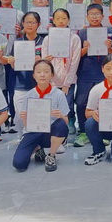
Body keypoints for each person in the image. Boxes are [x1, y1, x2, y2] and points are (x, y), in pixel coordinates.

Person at [12, 60, 69, 172]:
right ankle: (38, 149)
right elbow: (26, 126)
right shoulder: (29, 95)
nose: (42, 75)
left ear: (52, 75)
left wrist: (61, 115)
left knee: (61, 124)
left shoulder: (59, 94)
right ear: (34, 75)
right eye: (39, 72)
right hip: (33, 132)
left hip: (50, 132)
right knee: (19, 164)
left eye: (46, 72)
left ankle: (51, 155)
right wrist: (25, 117)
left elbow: (66, 121)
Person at [73, 4, 112, 147]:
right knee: (81, 103)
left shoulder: (109, 31)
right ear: (87, 16)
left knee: (105, 102)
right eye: (91, 14)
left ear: (102, 16)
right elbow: (76, 55)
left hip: (104, 72)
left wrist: (109, 47)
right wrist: (85, 48)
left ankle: (105, 132)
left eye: (97, 14)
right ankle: (84, 132)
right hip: (86, 72)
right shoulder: (81, 33)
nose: (94, 17)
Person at [40, 8, 82, 145]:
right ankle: (53, 131)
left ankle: (67, 127)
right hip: (52, 80)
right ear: (53, 20)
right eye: (57, 18)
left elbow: (75, 62)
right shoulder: (48, 39)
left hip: (67, 79)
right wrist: (47, 61)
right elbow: (44, 62)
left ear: (68, 20)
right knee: (52, 105)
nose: (61, 21)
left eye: (64, 18)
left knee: (67, 105)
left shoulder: (74, 38)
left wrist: (67, 83)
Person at [6, 11, 44, 136]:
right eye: (27, 22)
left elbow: (49, 64)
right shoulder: (18, 42)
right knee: (20, 114)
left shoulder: (43, 42)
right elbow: (13, 65)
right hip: (20, 83)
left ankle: (36, 137)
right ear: (23, 23)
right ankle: (23, 136)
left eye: (33, 22)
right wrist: (11, 62)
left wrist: (41, 60)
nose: (30, 25)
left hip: (39, 85)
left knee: (38, 113)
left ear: (38, 24)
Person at [0, 0, 23, 133]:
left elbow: (25, 34)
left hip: (13, 56)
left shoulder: (20, 14)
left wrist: (20, 32)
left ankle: (13, 117)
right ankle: (1, 118)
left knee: (12, 88)